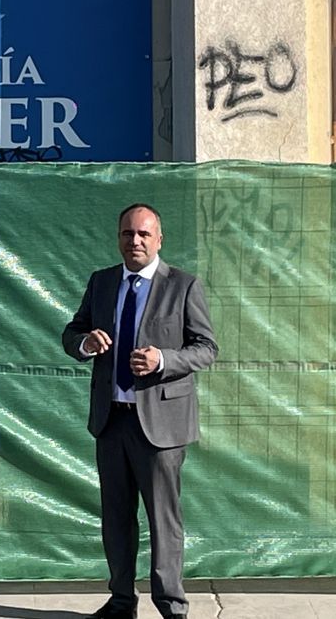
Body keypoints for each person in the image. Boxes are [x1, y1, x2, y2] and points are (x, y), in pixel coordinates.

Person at [62, 204, 217, 619]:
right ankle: (121, 601)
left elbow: (206, 349)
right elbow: (72, 332)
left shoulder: (183, 285)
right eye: (128, 234)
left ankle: (171, 605)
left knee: (163, 520)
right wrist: (85, 343)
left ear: (159, 240)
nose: (135, 241)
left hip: (161, 426)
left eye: (144, 235)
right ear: (119, 238)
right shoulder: (102, 282)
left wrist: (163, 360)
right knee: (116, 518)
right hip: (111, 419)